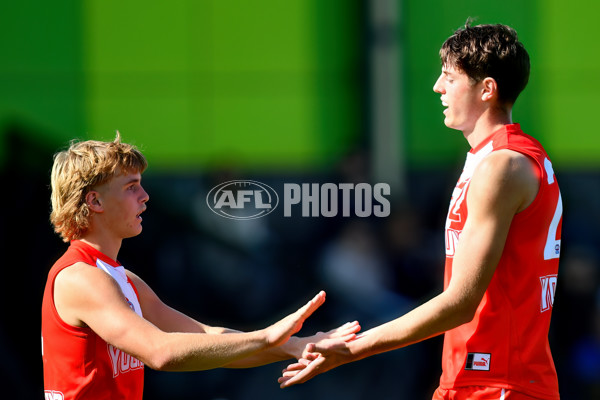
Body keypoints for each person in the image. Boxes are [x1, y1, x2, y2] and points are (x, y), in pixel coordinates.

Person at [279, 21, 562, 400]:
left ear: (487, 89)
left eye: (449, 77)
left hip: (498, 383)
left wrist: (350, 349)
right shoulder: (501, 158)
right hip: (475, 379)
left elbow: (459, 304)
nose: (437, 87)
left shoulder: (502, 166)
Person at [41, 133, 360, 399]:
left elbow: (207, 336)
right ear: (95, 202)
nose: (145, 196)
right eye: (130, 187)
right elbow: (159, 351)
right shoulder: (81, 278)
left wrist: (295, 345)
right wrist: (266, 337)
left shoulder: (122, 279)